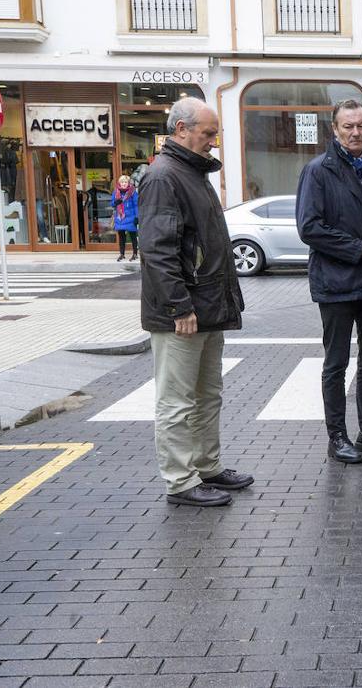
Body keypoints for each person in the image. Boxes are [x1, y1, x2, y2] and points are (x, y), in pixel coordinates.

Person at [138, 97, 252, 507]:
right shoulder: (164, 176)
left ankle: (207, 466)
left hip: (204, 307)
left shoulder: (189, 172)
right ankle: (181, 481)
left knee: (207, 394)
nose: (213, 141)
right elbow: (157, 249)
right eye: (207, 133)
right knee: (177, 400)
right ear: (181, 130)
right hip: (183, 313)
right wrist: (178, 307)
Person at [296, 99, 362, 465]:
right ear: (335, 130)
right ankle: (337, 436)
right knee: (336, 362)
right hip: (336, 284)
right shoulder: (318, 171)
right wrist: (361, 247)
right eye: (348, 126)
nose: (356, 132)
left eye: (361, 125)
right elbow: (309, 228)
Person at [112, 174, 139, 262]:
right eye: (122, 182)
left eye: (125, 182)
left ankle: (135, 253)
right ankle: (122, 254)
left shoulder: (133, 192)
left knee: (132, 236)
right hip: (120, 217)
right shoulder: (116, 192)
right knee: (121, 236)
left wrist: (137, 217)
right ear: (119, 183)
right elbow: (112, 204)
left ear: (128, 183)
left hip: (130, 217)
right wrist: (116, 202)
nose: (124, 184)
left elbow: (136, 205)